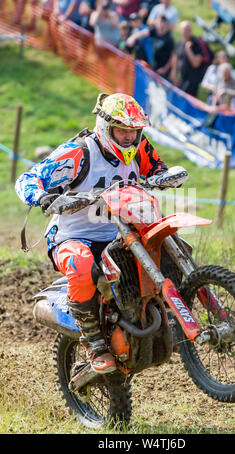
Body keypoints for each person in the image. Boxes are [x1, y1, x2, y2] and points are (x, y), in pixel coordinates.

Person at [15, 93, 180, 374]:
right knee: (81, 267)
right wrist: (43, 197)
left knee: (168, 246)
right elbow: (28, 179)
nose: (129, 137)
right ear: (104, 127)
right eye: (122, 130)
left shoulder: (139, 147)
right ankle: (93, 342)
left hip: (122, 233)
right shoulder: (79, 152)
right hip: (74, 236)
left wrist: (166, 177)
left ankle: (170, 317)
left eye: (134, 130)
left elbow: (157, 168)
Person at [127, 15, 174, 79]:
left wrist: (164, 69)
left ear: (166, 24)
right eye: (159, 22)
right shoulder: (153, 30)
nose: (161, 24)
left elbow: (172, 56)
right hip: (153, 65)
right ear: (156, 22)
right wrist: (133, 38)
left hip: (163, 69)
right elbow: (143, 33)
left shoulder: (169, 38)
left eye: (163, 22)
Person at [170, 20, 209, 98]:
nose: (187, 31)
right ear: (180, 30)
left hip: (192, 83)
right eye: (185, 29)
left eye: (189, 29)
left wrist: (188, 50)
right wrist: (173, 72)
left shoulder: (197, 44)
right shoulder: (180, 41)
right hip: (181, 80)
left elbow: (196, 63)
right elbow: (175, 56)